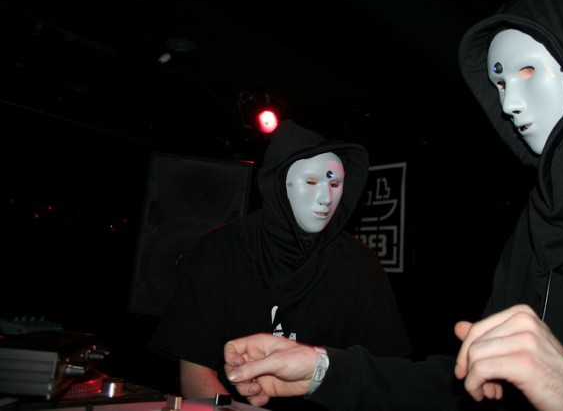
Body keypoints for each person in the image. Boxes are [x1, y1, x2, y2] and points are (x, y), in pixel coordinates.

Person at [222, 0, 563, 410]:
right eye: (500, 81)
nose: (510, 103)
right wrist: (322, 371)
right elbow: (469, 385)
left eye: (527, 71)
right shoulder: (538, 222)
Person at [149, 119, 412, 408]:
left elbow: (381, 372)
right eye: (311, 182)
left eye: (335, 183)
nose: (325, 197)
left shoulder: (360, 263)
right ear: (279, 183)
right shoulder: (220, 249)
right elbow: (195, 367)